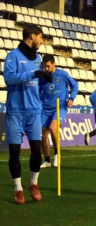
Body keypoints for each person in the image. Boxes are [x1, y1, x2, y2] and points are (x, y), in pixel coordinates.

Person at [4, 24, 53, 204]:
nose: (41, 41)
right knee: (14, 153)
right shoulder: (13, 56)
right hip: (16, 112)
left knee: (36, 150)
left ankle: (33, 184)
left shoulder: (38, 58)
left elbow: (37, 81)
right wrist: (33, 74)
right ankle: (18, 189)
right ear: (32, 36)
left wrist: (45, 80)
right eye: (40, 37)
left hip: (34, 112)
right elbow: (9, 78)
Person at [39, 54, 79, 168]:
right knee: (43, 135)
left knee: (53, 127)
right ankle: (47, 161)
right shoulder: (43, 77)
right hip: (45, 109)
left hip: (59, 107)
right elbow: (38, 91)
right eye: (44, 67)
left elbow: (75, 86)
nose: (46, 69)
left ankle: (57, 155)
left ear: (53, 64)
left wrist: (71, 98)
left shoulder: (63, 74)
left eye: (48, 66)